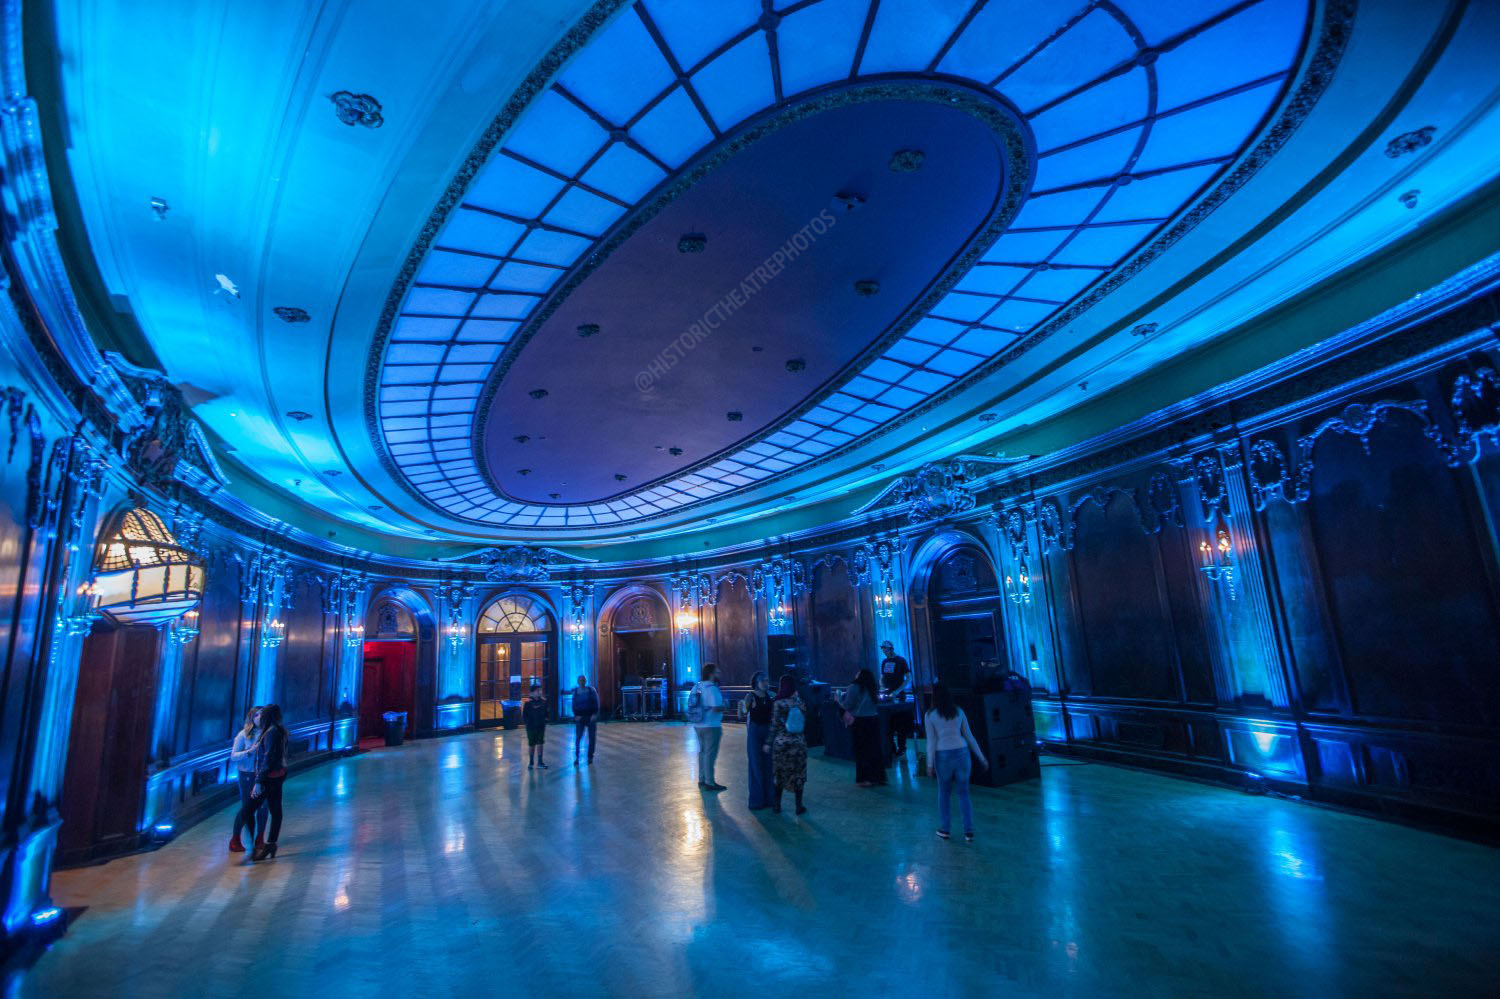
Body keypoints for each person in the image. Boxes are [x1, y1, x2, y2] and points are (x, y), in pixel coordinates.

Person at [924, 681, 989, 842]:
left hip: (942, 755)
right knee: (964, 793)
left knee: (944, 793)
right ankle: (969, 831)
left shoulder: (930, 715)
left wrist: (929, 764)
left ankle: (945, 829)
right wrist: (981, 757)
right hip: (962, 753)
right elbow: (969, 736)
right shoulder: (958, 712)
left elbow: (931, 742)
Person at [248, 704, 288, 861]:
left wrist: (258, 780)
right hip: (278, 774)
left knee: (247, 810)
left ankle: (252, 845)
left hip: (269, 777)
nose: (259, 717)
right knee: (276, 810)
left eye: (261, 714)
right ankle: (270, 844)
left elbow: (268, 758)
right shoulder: (279, 730)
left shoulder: (271, 733)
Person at [769, 674, 808, 815]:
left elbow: (773, 725)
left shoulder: (778, 703)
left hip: (781, 744)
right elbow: (805, 721)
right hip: (798, 743)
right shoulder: (800, 703)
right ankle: (799, 806)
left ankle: (777, 805)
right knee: (799, 774)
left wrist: (768, 742)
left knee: (779, 774)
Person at [227, 705, 263, 854]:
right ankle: (236, 838)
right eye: (257, 715)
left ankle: (259, 838)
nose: (260, 718)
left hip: (261, 774)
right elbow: (233, 756)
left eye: (263, 715)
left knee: (263, 807)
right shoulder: (243, 735)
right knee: (247, 807)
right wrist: (250, 752)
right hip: (247, 775)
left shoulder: (267, 733)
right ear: (251, 718)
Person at [841, 668, 885, 786]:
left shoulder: (854, 687)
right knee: (874, 749)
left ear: (859, 675)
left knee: (861, 750)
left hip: (860, 722)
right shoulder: (872, 687)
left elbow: (848, 705)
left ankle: (865, 778)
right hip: (873, 720)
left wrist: (838, 700)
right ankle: (878, 777)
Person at [688, 662, 725, 791]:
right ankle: (710, 782)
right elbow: (715, 708)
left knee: (703, 752)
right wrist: (725, 706)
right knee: (710, 754)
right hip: (712, 725)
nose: (719, 674)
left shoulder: (696, 687)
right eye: (717, 672)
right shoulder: (712, 688)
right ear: (711, 674)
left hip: (698, 724)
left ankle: (702, 779)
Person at [742, 672, 775, 810]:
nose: (765, 683)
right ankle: (757, 800)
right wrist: (744, 706)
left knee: (769, 765)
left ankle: (770, 799)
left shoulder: (771, 695)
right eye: (763, 680)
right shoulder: (750, 696)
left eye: (767, 680)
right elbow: (743, 713)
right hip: (755, 732)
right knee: (755, 764)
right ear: (756, 682)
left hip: (767, 730)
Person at [880, 641, 914, 757]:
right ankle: (892, 747)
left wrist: (898, 691)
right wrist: (882, 687)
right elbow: (883, 677)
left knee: (901, 722)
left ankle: (902, 747)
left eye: (885, 650)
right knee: (888, 722)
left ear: (891, 649)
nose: (884, 652)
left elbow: (908, 677)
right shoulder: (884, 662)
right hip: (888, 695)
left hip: (899, 695)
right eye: (882, 650)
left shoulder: (901, 660)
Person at [571, 674, 599, 765]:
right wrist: (576, 716)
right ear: (578, 682)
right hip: (580, 717)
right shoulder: (575, 692)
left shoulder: (591, 690)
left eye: (583, 680)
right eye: (580, 680)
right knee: (578, 738)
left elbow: (596, 703)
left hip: (590, 717)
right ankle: (577, 757)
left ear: (585, 681)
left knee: (591, 738)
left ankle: (590, 756)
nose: (582, 682)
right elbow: (574, 705)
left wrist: (594, 715)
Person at [523, 681, 549, 769]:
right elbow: (525, 715)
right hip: (531, 727)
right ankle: (531, 762)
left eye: (540, 690)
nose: (539, 692)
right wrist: (528, 724)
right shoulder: (528, 703)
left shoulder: (543, 701)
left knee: (540, 742)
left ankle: (540, 762)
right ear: (532, 692)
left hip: (541, 726)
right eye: (537, 690)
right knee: (532, 744)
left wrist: (545, 719)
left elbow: (546, 712)